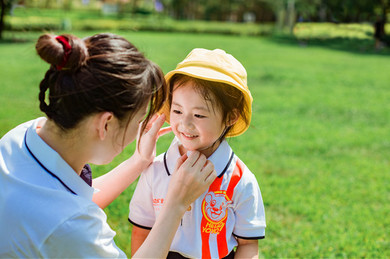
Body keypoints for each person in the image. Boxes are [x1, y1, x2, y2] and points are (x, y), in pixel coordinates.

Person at [0, 33, 217, 258]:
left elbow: (66, 200)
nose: (139, 130)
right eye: (139, 118)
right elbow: (66, 218)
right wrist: (176, 205)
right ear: (106, 123)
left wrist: (138, 162)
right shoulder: (72, 226)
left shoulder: (22, 136)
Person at [129, 48, 266, 258]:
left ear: (231, 117)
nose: (185, 123)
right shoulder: (156, 170)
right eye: (177, 111)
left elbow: (248, 244)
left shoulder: (239, 179)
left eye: (199, 115)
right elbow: (141, 231)